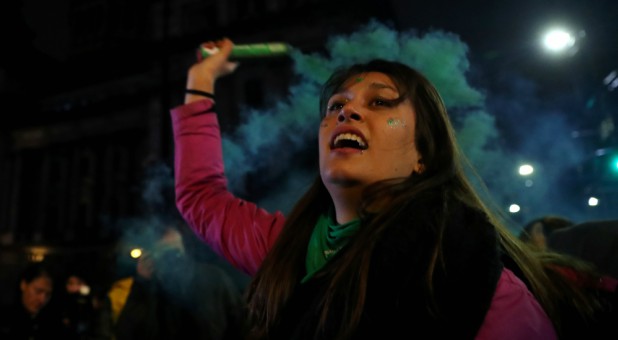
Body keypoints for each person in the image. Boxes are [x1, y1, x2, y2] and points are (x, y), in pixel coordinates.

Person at [170, 37, 614, 339]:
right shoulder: (286, 249)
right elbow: (201, 196)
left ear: (423, 155)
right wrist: (200, 82)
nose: (347, 113)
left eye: (381, 103)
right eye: (336, 107)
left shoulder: (471, 275)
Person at [92, 219, 246, 340]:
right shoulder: (149, 286)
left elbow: (242, 325)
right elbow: (127, 333)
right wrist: (142, 284)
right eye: (165, 254)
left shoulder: (213, 278)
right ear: (154, 257)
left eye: (174, 253)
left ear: (185, 250)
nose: (172, 260)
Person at [0, 261, 73, 339]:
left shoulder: (53, 323)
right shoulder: (4, 319)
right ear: (24, 285)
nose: (43, 299)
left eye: (48, 294)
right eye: (38, 291)